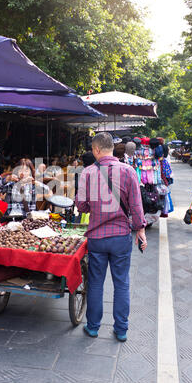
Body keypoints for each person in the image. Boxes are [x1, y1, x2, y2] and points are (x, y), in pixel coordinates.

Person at [76, 132, 147, 342]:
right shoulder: (128, 171)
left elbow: (81, 205)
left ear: (97, 150)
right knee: (122, 283)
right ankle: (121, 329)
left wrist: (91, 204)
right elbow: (136, 204)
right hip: (121, 237)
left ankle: (93, 327)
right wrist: (140, 230)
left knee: (96, 283)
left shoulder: (87, 173)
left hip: (97, 237)